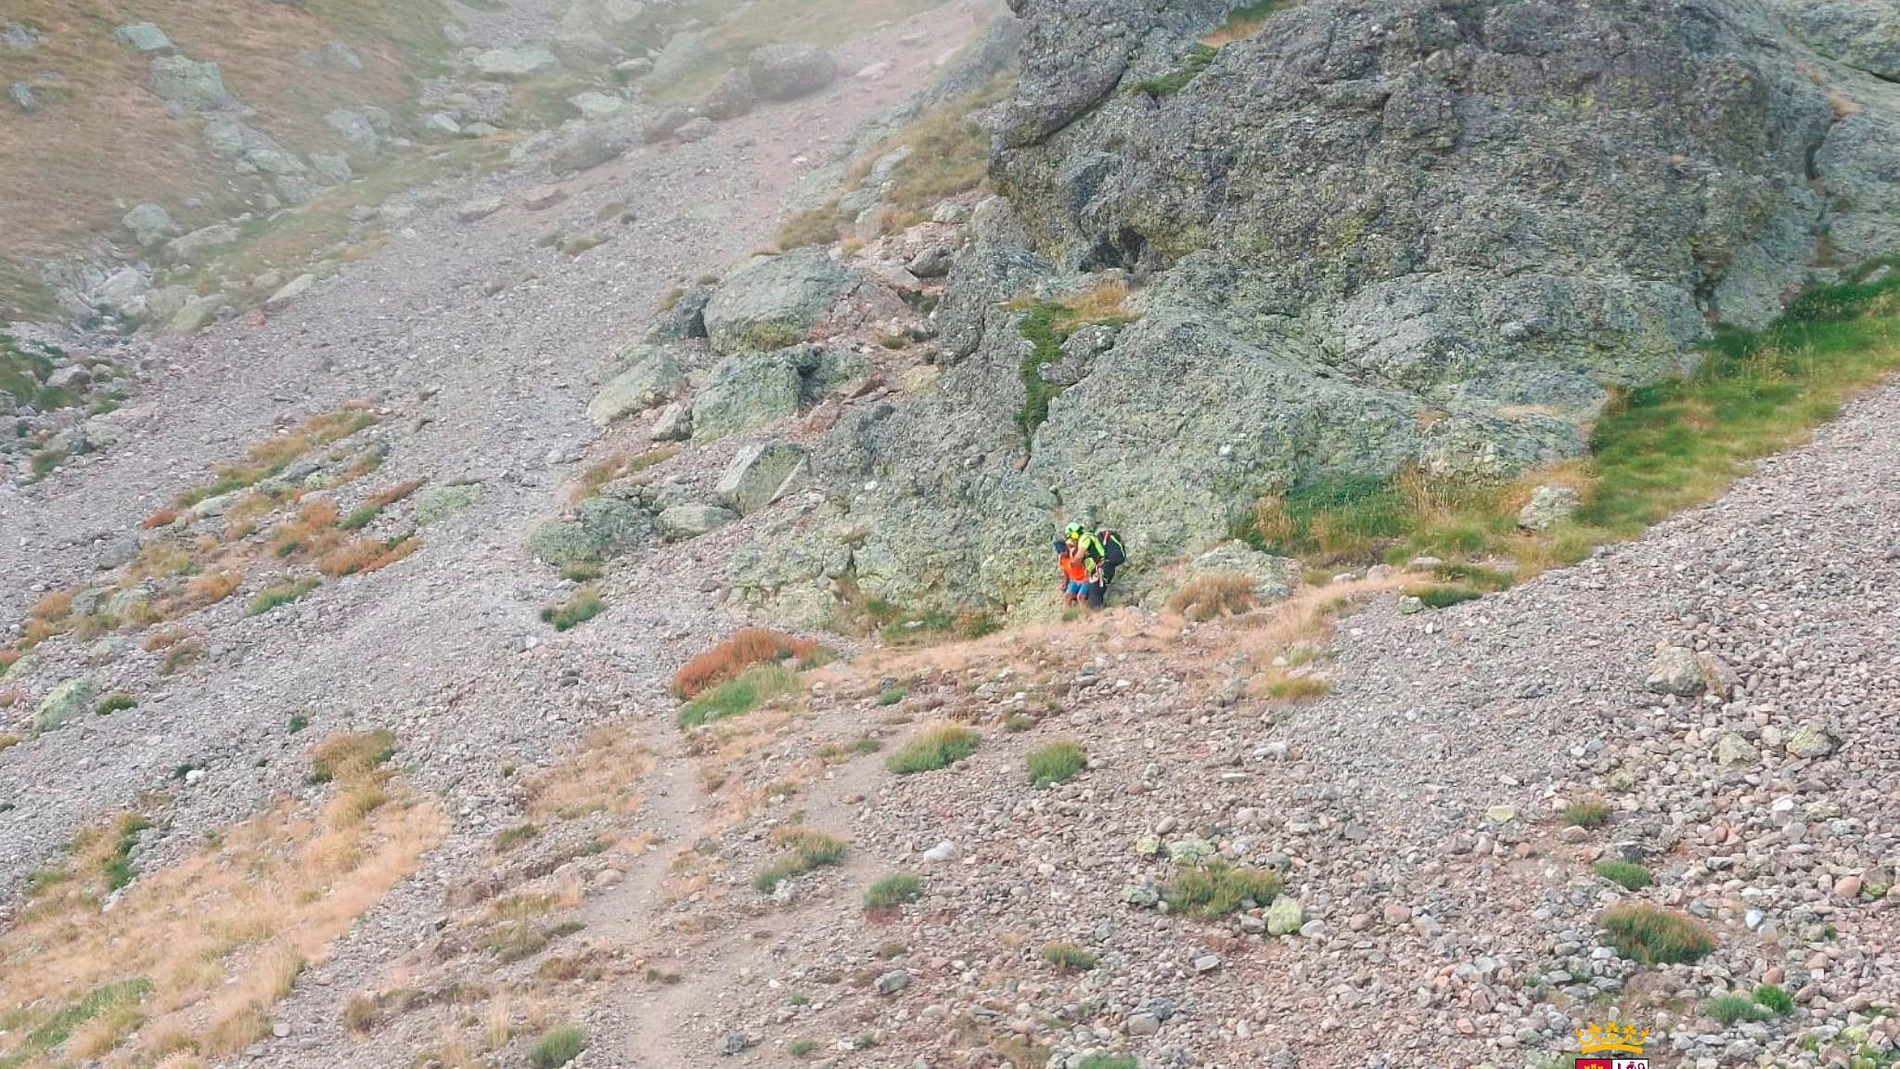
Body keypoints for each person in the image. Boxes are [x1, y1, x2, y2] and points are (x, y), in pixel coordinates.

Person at [1057, 542, 1094, 608]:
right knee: (1067, 597)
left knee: (1080, 597)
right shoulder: (1062, 559)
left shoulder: (1074, 553)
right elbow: (1066, 573)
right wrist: (1065, 584)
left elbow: (1087, 562)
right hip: (1075, 580)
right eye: (1062, 553)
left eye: (1064, 551)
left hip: (1085, 579)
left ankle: (1085, 615)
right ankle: (1070, 615)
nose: (1064, 554)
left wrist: (1087, 575)